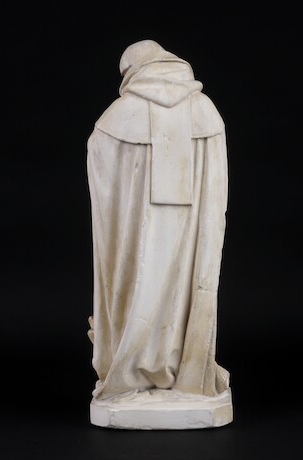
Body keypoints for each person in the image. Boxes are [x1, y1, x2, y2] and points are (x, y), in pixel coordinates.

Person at [87, 40, 230, 401]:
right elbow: (217, 188)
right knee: (181, 290)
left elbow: (104, 185)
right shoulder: (206, 111)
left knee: (141, 284)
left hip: (138, 237)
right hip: (190, 235)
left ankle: (131, 366)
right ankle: (180, 369)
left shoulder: (118, 116)